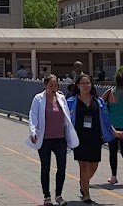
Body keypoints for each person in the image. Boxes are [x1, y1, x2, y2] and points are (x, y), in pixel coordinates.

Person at [67, 75, 123, 204]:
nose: (85, 85)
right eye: (82, 83)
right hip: (79, 137)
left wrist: (114, 132)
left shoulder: (99, 102)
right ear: (78, 85)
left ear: (91, 85)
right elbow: (65, 120)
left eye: (88, 83)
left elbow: (106, 120)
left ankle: (83, 182)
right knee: (84, 165)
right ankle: (86, 193)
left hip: (95, 137)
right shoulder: (71, 102)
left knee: (93, 166)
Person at [27, 74, 77, 206]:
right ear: (45, 86)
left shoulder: (61, 98)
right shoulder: (38, 98)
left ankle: (59, 195)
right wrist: (33, 131)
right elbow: (33, 115)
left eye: (56, 85)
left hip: (60, 138)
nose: (54, 88)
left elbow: (67, 116)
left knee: (62, 167)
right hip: (45, 139)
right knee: (46, 167)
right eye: (51, 86)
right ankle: (47, 196)